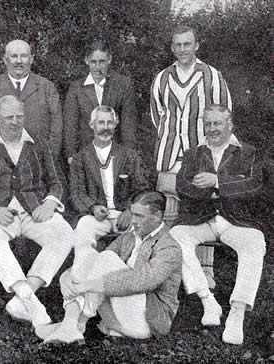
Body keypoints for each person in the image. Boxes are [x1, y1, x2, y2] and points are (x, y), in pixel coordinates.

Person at [0, 95, 73, 330]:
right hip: (2, 214)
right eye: (9, 117)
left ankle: (23, 298)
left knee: (64, 232)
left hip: (35, 212)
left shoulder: (39, 144)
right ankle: (26, 296)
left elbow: (57, 182)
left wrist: (49, 204)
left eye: (19, 116)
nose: (14, 122)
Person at [170, 105, 266, 345]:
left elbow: (255, 186)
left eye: (217, 123)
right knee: (175, 235)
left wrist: (217, 182)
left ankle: (237, 312)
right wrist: (217, 191)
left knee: (255, 242)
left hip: (235, 221)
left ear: (230, 125)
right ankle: (207, 300)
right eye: (208, 123)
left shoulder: (248, 152)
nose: (212, 129)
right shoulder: (194, 153)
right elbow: (182, 186)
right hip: (202, 219)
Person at [37, 191, 182, 344]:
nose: (133, 221)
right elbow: (95, 264)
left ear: (157, 216)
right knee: (90, 256)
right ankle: (71, 323)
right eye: (132, 214)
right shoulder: (129, 237)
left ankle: (76, 323)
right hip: (120, 311)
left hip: (147, 322)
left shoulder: (169, 246)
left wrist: (87, 285)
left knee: (107, 258)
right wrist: (66, 277)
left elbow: (143, 281)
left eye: (139, 216)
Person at [150, 25, 232, 287]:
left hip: (201, 156)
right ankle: (169, 272)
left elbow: (223, 116)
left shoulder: (213, 76)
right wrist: (172, 138)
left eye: (188, 44)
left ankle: (205, 273)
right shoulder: (162, 78)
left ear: (197, 45)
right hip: (169, 155)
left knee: (202, 209)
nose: (183, 49)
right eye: (178, 45)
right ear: (172, 48)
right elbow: (158, 116)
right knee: (168, 212)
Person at [68, 105, 150, 282]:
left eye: (109, 122)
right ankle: (81, 284)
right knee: (83, 230)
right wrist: (93, 206)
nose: (105, 127)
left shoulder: (129, 155)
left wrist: (131, 211)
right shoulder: (81, 158)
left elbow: (142, 189)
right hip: (96, 216)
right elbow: (76, 192)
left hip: (125, 215)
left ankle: (131, 285)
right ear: (92, 125)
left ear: (116, 124)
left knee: (142, 238)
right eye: (101, 123)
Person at [0, 39, 63, 156]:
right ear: (5, 60)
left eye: (23, 56)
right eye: (14, 56)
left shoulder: (46, 87)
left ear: (31, 59)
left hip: (37, 160)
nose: (19, 61)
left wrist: (49, 157)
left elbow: (56, 128)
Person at [63, 39, 138, 164]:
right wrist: (71, 155)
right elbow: (70, 124)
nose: (98, 67)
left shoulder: (123, 85)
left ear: (109, 59)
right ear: (86, 61)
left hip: (115, 155)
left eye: (102, 62)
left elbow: (128, 125)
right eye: (93, 62)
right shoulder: (76, 88)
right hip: (85, 156)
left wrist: (128, 156)